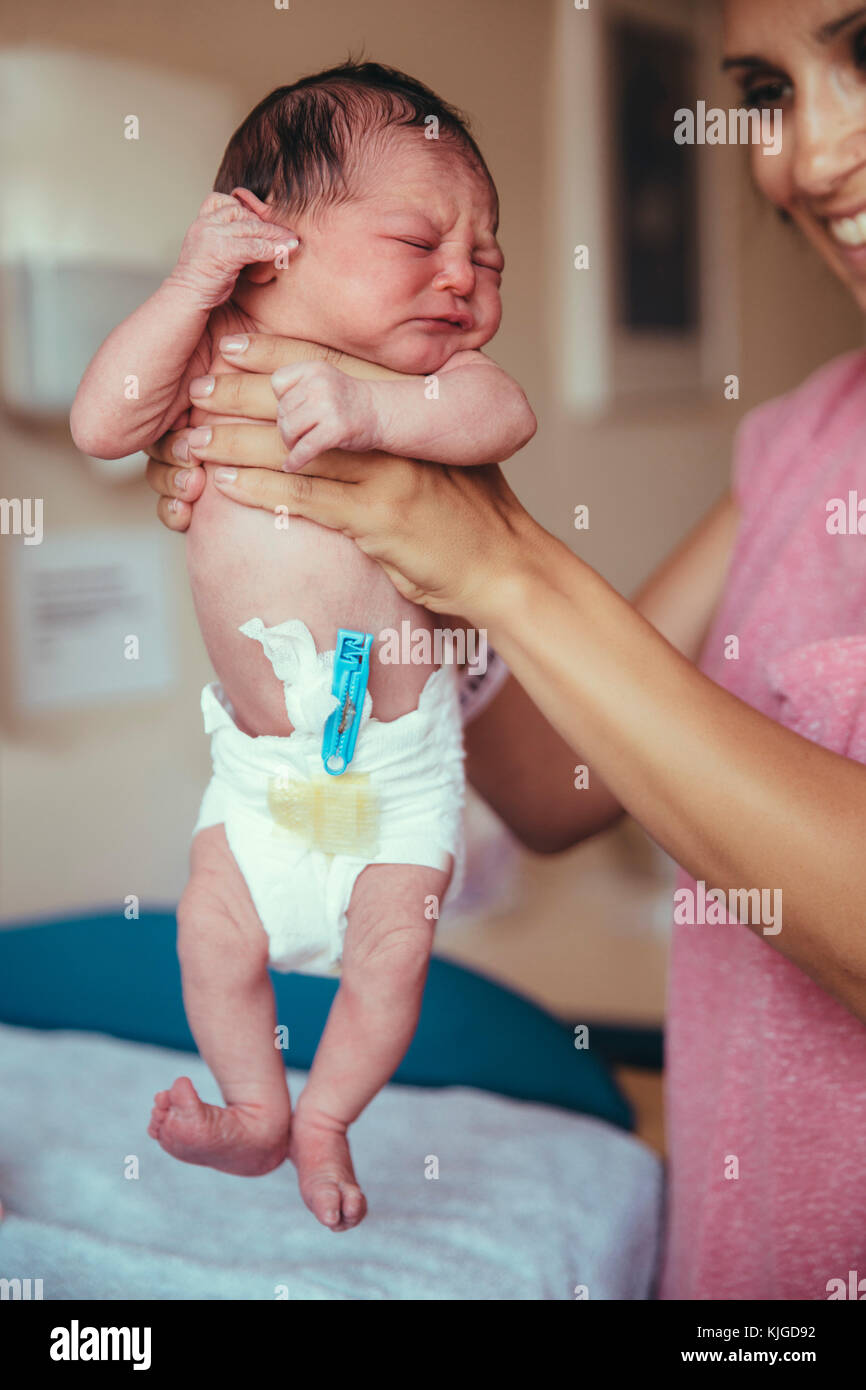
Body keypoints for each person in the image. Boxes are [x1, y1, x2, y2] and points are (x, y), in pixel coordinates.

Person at [147, 0, 866, 1298]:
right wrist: (384, 597)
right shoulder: (800, 442)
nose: (804, 157)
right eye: (764, 89)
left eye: (864, 48)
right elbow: (550, 786)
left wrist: (495, 556)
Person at [70, 62, 534, 1233]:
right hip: (264, 779)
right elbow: (100, 423)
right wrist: (187, 288)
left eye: (487, 260)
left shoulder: (424, 380)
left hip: (392, 777)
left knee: (390, 962)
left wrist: (381, 412)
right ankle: (255, 1110)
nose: (462, 276)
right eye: (420, 239)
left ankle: (325, 1115)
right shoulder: (208, 352)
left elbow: (501, 416)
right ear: (267, 243)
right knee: (210, 936)